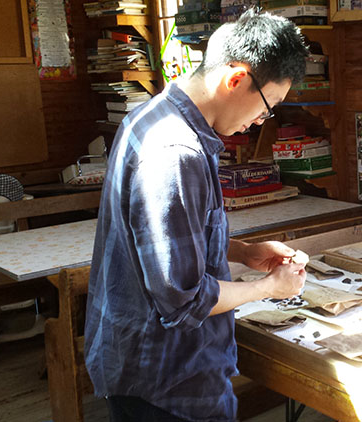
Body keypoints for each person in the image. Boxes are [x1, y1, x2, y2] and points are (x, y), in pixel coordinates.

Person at [84, 9, 310, 422]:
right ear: (236, 78)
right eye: (267, 106)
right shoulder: (176, 153)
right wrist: (269, 287)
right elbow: (183, 302)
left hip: (142, 360)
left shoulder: (153, 114)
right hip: (165, 381)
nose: (261, 121)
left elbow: (167, 243)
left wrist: (242, 252)